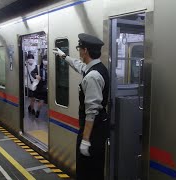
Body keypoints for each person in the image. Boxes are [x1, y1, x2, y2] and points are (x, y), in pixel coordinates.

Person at [53, 33, 109, 180]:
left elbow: (91, 112)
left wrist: (85, 140)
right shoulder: (97, 68)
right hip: (97, 131)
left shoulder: (92, 77)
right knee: (94, 170)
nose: (78, 51)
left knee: (87, 172)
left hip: (92, 133)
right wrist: (64, 57)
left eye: (79, 48)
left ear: (85, 51)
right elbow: (80, 66)